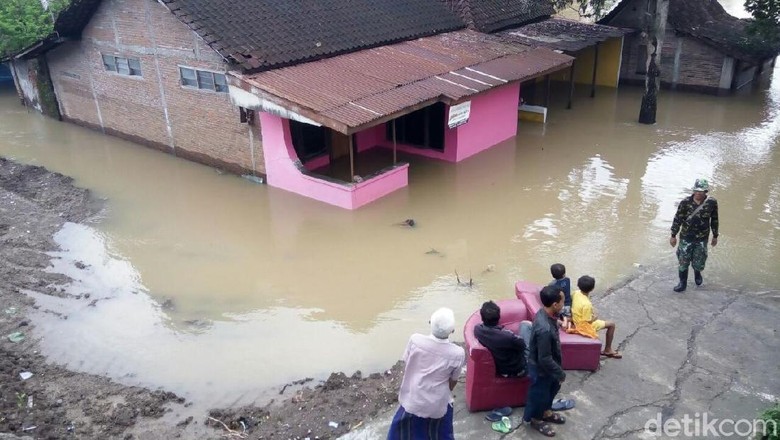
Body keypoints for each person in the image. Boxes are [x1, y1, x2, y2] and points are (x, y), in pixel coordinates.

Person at [387, 307, 466, 440]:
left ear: (430, 323)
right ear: (452, 331)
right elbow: (452, 381)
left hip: (412, 398)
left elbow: (408, 363)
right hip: (436, 406)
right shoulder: (457, 353)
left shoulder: (415, 340)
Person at [523, 285, 567, 437]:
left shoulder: (544, 313)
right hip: (542, 368)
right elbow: (544, 358)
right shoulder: (545, 329)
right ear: (555, 304)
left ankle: (547, 412)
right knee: (540, 394)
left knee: (552, 389)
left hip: (550, 365)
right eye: (562, 301)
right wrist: (560, 373)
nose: (564, 304)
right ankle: (536, 420)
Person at [670, 178, 719, 292]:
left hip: (702, 238)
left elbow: (715, 219)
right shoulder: (685, 202)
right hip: (686, 237)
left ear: (705, 191)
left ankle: (697, 273)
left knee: (699, 261)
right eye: (696, 190)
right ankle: (683, 283)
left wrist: (715, 236)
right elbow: (678, 219)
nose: (698, 193)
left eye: (701, 191)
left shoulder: (712, 202)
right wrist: (673, 235)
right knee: (683, 260)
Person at [568, 275, 622, 359]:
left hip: (576, 319)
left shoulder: (576, 293)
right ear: (592, 289)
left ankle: (607, 349)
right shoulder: (587, 304)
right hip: (582, 326)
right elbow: (587, 321)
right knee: (611, 325)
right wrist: (595, 317)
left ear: (578, 285)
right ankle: (608, 349)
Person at [474, 300, 530, 377]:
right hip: (517, 370)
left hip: (501, 369)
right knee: (525, 325)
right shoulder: (508, 337)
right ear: (499, 317)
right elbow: (523, 346)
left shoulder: (478, 330)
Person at [549, 263, 572, 330]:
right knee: (568, 316)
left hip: (559, 306)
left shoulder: (552, 284)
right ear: (564, 273)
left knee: (558, 316)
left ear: (552, 275)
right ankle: (568, 325)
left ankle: (562, 323)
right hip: (568, 304)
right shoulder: (568, 280)